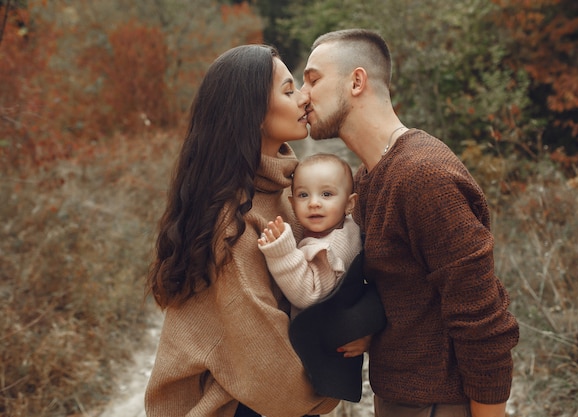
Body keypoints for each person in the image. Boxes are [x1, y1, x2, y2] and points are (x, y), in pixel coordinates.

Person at [300, 29, 520, 417]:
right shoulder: (369, 177)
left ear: (356, 81)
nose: (303, 95)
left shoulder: (423, 176)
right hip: (401, 397)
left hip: (440, 402)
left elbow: (482, 318)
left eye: (313, 79)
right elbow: (401, 286)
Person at [143, 45, 339, 417]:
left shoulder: (283, 189)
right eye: (287, 90)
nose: (303, 99)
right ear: (253, 114)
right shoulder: (232, 220)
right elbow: (271, 370)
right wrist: (333, 385)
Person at [257, 153, 360, 317]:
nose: (313, 203)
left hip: (321, 337)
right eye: (303, 195)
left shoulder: (328, 249)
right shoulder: (349, 228)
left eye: (326, 194)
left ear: (349, 204)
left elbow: (306, 295)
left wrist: (282, 252)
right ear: (292, 204)